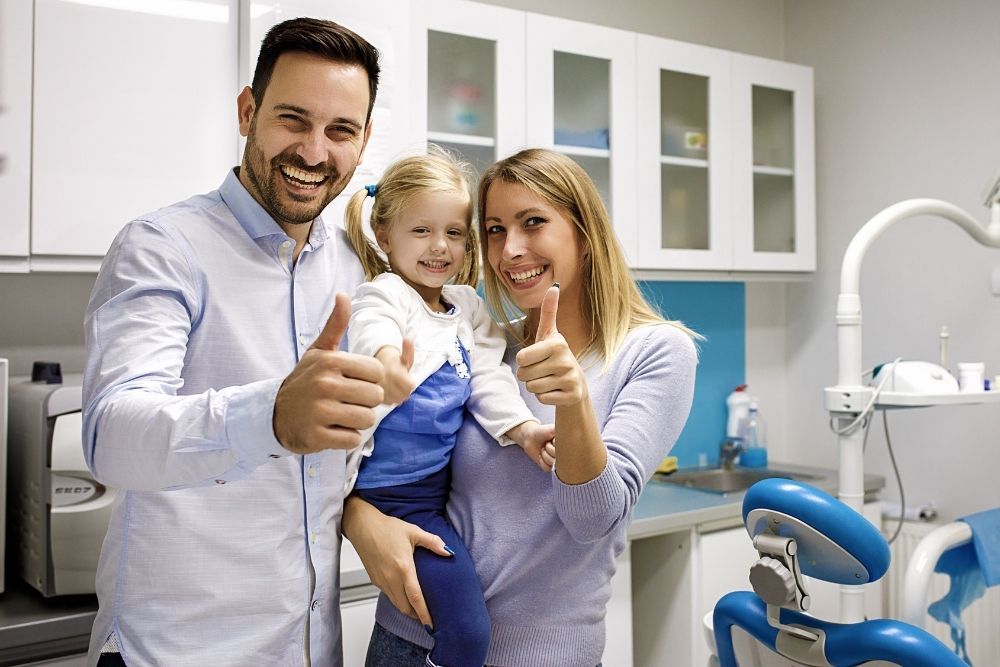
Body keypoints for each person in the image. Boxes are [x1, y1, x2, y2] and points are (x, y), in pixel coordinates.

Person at [82, 17, 445, 667]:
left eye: (340, 130)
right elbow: (111, 436)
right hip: (174, 652)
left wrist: (362, 510)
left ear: (363, 142)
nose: (313, 151)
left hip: (307, 649)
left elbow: (343, 457)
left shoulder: (358, 274)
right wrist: (272, 416)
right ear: (248, 111)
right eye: (292, 119)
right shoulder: (163, 249)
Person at [343, 148, 700, 666]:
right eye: (492, 229)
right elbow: (401, 467)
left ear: (584, 230)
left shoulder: (656, 352)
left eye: (532, 223)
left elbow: (591, 519)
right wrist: (357, 517)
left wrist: (573, 401)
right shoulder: (478, 342)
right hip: (406, 639)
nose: (510, 249)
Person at [341, 149, 556, 666]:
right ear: (384, 233)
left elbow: (488, 375)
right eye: (421, 231)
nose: (439, 248)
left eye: (455, 233)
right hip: (387, 499)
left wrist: (524, 429)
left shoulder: (467, 308)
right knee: (467, 631)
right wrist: (387, 366)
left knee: (464, 627)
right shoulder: (386, 293)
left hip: (433, 497)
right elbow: (375, 330)